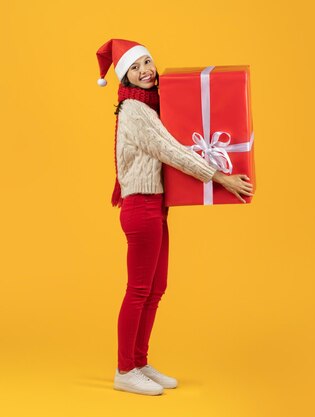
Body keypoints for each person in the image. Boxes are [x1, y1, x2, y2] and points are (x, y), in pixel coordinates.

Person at [96, 39, 253, 396]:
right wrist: (221, 177)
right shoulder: (135, 112)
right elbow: (172, 151)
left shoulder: (151, 106)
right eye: (135, 68)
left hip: (156, 206)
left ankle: (139, 361)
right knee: (138, 291)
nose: (145, 71)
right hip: (140, 207)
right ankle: (124, 370)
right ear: (125, 78)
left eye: (147, 62)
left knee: (155, 289)